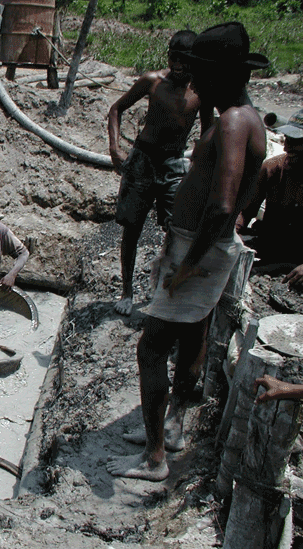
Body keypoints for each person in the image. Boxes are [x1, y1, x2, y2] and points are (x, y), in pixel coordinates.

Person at [107, 22, 269, 482]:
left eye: (201, 73)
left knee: (151, 347)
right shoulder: (243, 117)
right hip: (199, 245)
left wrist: (187, 265)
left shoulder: (235, 121)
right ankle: (173, 426)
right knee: (193, 335)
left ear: (221, 74)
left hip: (201, 251)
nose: (193, 83)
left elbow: (221, 205)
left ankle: (155, 457)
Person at [108, 30, 214, 316]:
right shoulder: (153, 81)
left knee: (176, 227)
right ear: (169, 57)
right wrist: (115, 148)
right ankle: (127, 291)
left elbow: (207, 131)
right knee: (132, 227)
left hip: (174, 163)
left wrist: (200, 165)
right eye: (175, 61)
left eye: (186, 63)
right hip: (143, 158)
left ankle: (164, 288)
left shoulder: (201, 91)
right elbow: (116, 109)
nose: (179, 68)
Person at [238, 108, 303, 288]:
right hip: (269, 248)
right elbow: (244, 210)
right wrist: (232, 234)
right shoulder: (272, 169)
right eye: (287, 140)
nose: (287, 148)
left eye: (296, 142)